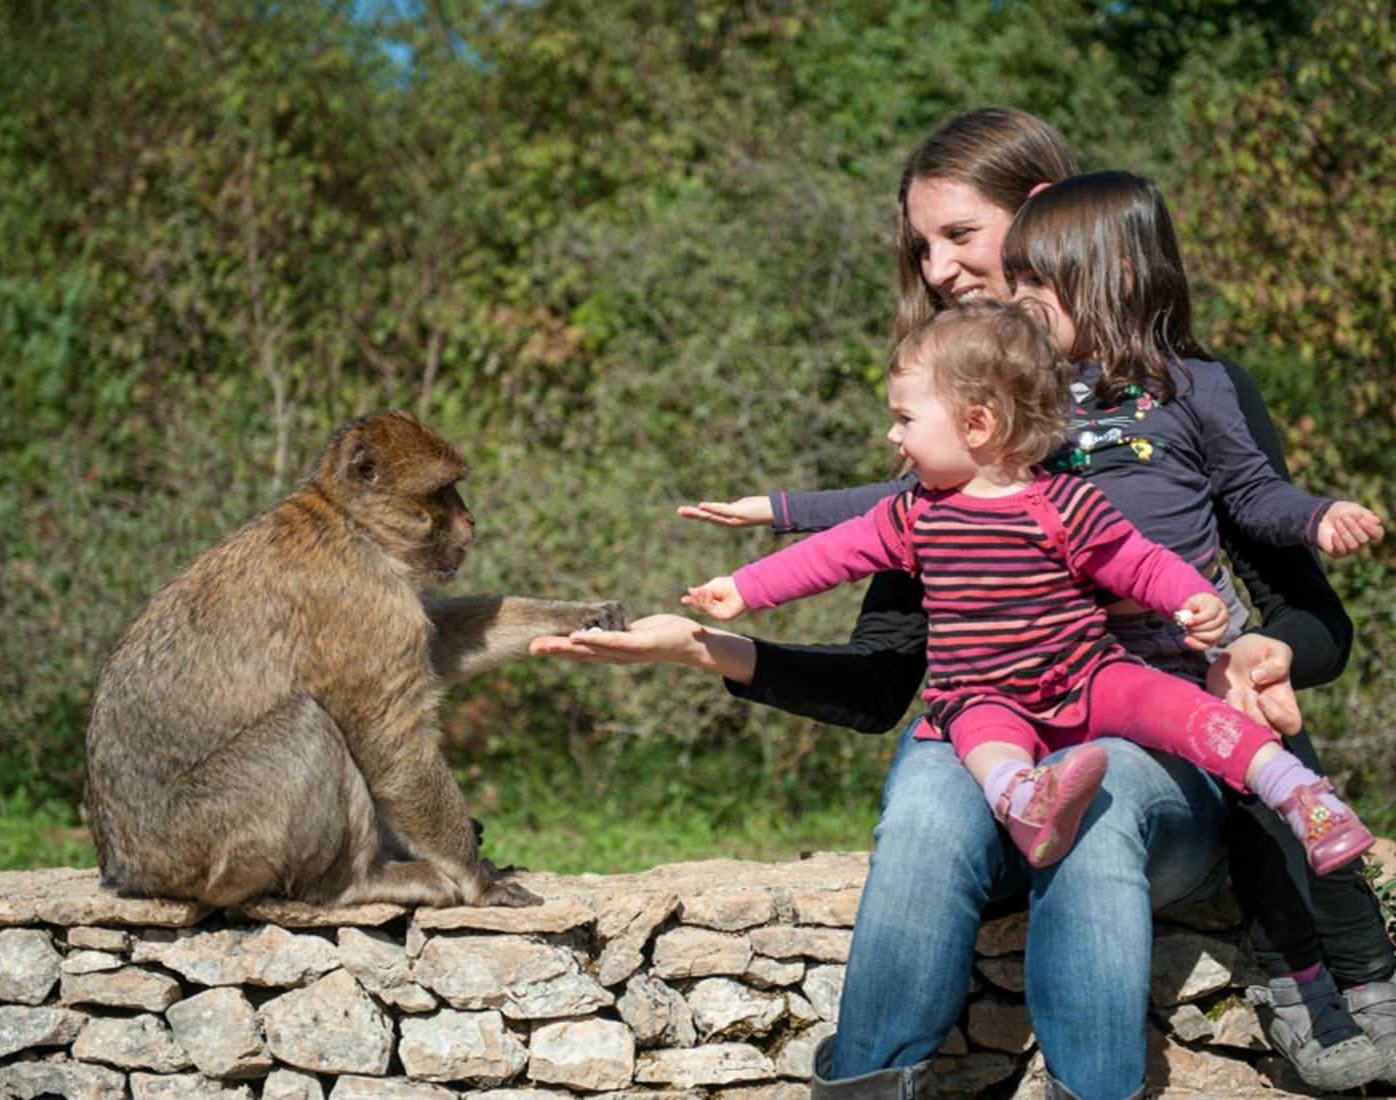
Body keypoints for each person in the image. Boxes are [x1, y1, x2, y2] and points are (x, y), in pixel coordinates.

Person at [532, 108, 1394, 1099]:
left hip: (1144, 730)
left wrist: (1255, 652)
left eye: (958, 237)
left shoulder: (1175, 400)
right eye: (919, 246)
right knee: (928, 808)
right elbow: (880, 653)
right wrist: (700, 644)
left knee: (1093, 788)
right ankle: (864, 1085)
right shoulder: (956, 436)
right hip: (987, 731)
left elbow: (1310, 616)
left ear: (1039, 226)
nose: (936, 269)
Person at [680, 298, 1378, 879]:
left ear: (977, 424)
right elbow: (832, 557)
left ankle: (1301, 795)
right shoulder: (912, 516)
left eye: (905, 419)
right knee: (982, 738)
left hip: (1088, 675)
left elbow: (1136, 561)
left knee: (1178, 704)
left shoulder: (1063, 504)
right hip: (983, 693)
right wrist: (744, 589)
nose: (894, 437)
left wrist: (1188, 596)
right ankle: (1025, 800)